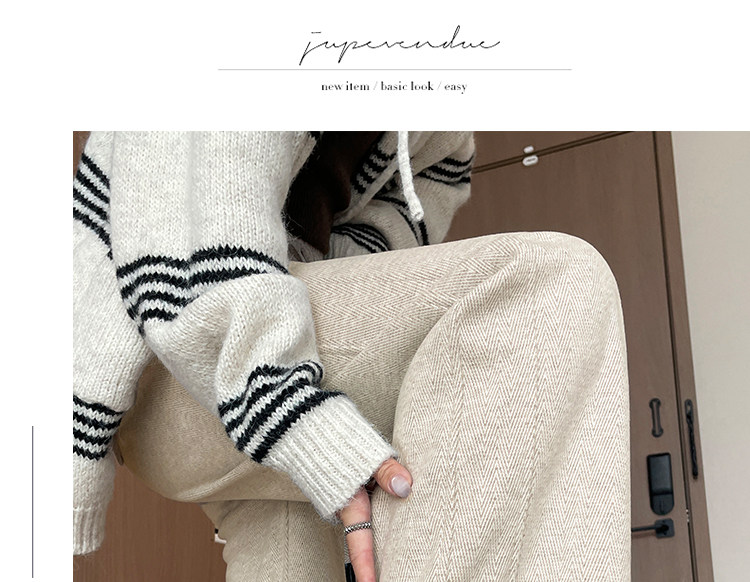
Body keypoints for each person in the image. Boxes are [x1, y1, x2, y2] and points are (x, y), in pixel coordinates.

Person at [74, 131, 630, 581]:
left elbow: (372, 273)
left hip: (257, 365)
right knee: (547, 286)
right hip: (169, 358)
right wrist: (296, 416)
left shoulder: (443, 134)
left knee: (289, 554)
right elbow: (183, 254)